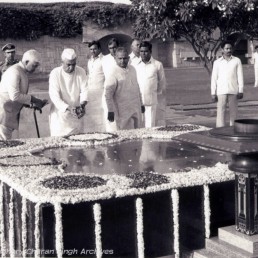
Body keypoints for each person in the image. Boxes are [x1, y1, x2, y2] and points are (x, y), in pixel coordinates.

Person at [0, 49, 47, 140]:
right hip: (3, 115)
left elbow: (17, 97)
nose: (35, 69)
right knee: (3, 147)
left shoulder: (21, 71)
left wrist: (31, 104)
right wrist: (33, 99)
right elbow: (14, 96)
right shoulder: (14, 71)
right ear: (26, 62)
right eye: (34, 66)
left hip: (9, 116)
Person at [49, 48, 88, 136]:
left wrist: (82, 105)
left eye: (73, 64)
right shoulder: (55, 73)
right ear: (62, 62)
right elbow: (54, 96)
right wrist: (68, 108)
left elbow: (84, 90)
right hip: (60, 117)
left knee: (78, 143)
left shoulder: (81, 71)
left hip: (77, 115)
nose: (71, 67)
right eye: (68, 64)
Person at [105, 47, 145, 130]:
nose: (122, 61)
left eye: (125, 58)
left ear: (128, 58)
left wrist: (141, 104)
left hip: (135, 107)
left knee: (139, 132)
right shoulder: (113, 72)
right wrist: (110, 110)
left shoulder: (133, 69)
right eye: (120, 58)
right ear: (115, 59)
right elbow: (108, 94)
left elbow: (137, 88)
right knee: (124, 135)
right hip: (122, 110)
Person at [211, 40, 244, 128]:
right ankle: (220, 130)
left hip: (233, 90)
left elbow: (240, 76)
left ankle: (233, 129)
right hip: (221, 91)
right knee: (221, 111)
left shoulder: (237, 61)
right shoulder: (217, 62)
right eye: (227, 48)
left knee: (234, 112)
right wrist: (213, 93)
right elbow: (214, 78)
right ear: (222, 49)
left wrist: (241, 90)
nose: (229, 50)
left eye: (230, 48)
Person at [135, 41, 166, 128]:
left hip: (151, 101)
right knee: (138, 127)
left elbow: (162, 82)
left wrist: (154, 93)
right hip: (137, 102)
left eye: (145, 51)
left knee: (150, 126)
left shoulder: (157, 65)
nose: (143, 53)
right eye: (141, 51)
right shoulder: (135, 65)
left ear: (150, 52)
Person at [85, 40, 106, 132]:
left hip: (100, 91)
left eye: (94, 49)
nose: (93, 51)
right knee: (92, 114)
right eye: (91, 49)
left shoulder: (104, 60)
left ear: (99, 49)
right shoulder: (90, 61)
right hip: (91, 91)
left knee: (101, 114)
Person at [102, 37, 119, 132]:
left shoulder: (122, 58)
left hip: (121, 90)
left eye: (115, 47)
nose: (113, 50)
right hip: (108, 90)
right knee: (109, 116)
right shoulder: (105, 59)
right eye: (111, 48)